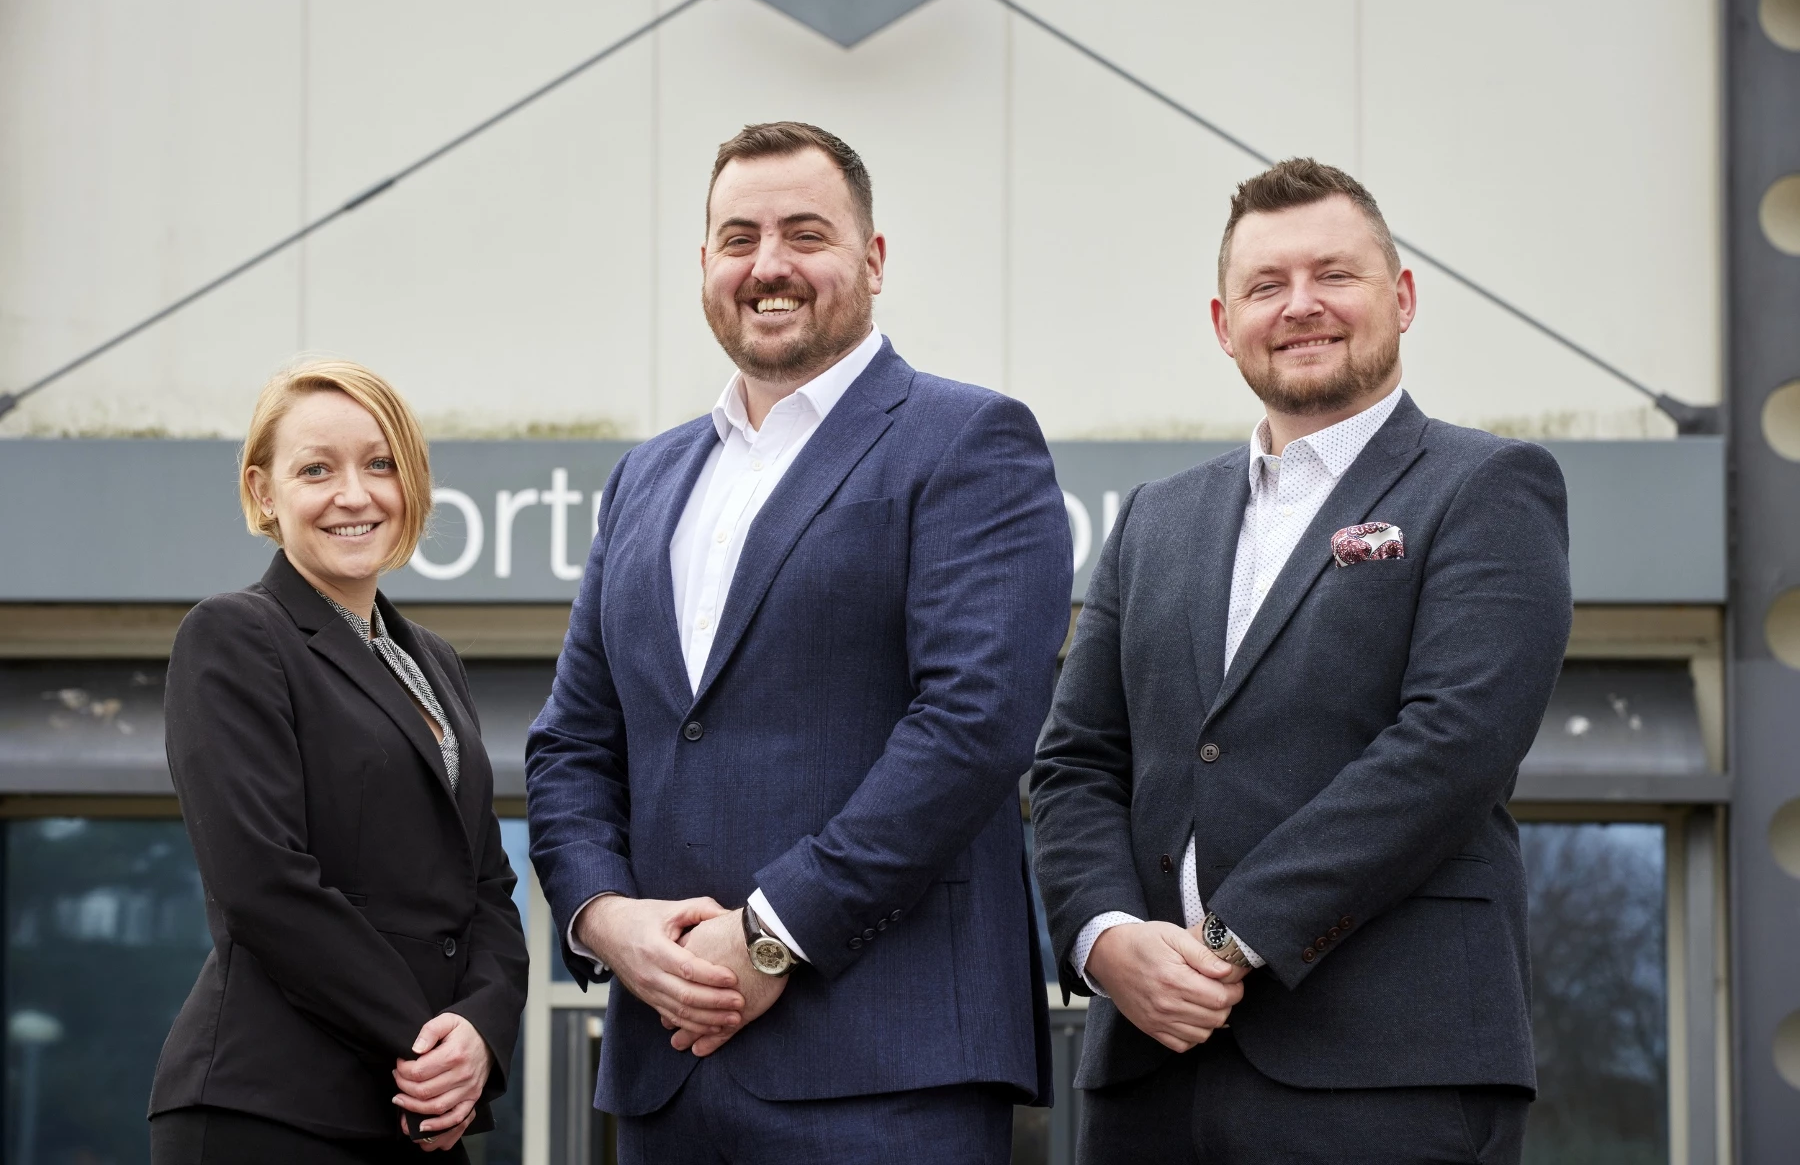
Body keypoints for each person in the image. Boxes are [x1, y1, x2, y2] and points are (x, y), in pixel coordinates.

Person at [525, 121, 1072, 1162]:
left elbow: (974, 726)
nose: (768, 265)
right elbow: (571, 745)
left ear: (873, 260)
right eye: (739, 238)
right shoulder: (646, 478)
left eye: (805, 234)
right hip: (666, 1072)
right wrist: (605, 919)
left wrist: (773, 934)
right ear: (704, 268)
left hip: (887, 1068)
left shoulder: (969, 440)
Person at [1030, 158, 1571, 1164]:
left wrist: (1231, 938)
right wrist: (1105, 938)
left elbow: (1454, 745)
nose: (1301, 306)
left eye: (1335, 275)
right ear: (1222, 321)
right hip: (1149, 1074)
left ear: (1402, 298)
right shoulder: (1155, 520)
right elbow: (1073, 763)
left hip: (1387, 1072)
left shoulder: (1488, 486)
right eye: (1266, 286)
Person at [149, 361, 528, 1164]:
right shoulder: (234, 635)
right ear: (263, 493)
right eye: (316, 469)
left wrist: (482, 1032)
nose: (354, 494)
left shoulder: (434, 662)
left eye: (379, 463)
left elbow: (488, 884)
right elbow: (262, 880)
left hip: (415, 1113)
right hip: (275, 1108)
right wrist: (427, 1045)